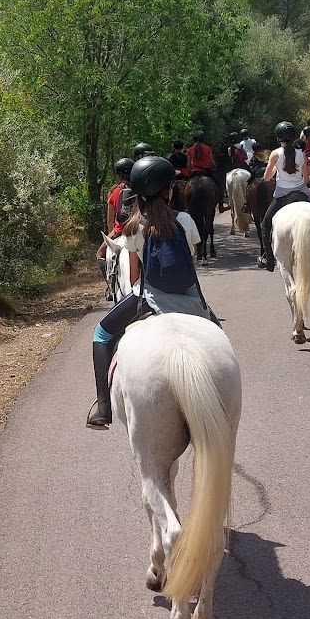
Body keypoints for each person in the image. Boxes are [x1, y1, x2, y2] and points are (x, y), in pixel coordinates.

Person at [86, 155, 212, 428]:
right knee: (219, 339)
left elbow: (133, 277)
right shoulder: (187, 221)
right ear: (169, 190)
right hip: (191, 299)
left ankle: (103, 409)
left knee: (101, 332)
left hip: (150, 298)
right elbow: (190, 265)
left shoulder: (133, 228)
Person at [256, 121, 310, 270]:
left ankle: (268, 260)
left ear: (278, 137)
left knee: (265, 224)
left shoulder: (275, 154)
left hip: (282, 194)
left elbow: (267, 178)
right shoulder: (301, 153)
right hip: (301, 191)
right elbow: (306, 180)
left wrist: (275, 170)